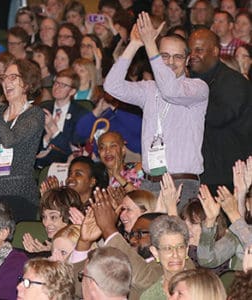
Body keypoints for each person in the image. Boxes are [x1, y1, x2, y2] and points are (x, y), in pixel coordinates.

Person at [104, 12, 209, 211]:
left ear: (187, 60)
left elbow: (170, 91)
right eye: (164, 56)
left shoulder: (197, 87)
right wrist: (135, 43)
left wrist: (151, 44)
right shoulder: (149, 89)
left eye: (178, 57)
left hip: (182, 184)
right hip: (149, 182)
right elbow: (112, 86)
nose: (170, 62)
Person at [0, 58, 45, 221]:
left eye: (13, 77)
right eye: (4, 78)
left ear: (27, 83)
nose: (6, 82)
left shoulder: (35, 114)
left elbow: (9, 140)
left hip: (17, 193)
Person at [188, 28, 252, 192]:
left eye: (199, 50)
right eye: (190, 50)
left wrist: (186, 97)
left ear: (215, 51)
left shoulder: (232, 82)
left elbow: (218, 117)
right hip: (202, 172)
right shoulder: (193, 81)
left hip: (228, 177)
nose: (192, 55)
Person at [35, 68, 88, 168]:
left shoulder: (81, 115)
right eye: (56, 83)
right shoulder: (42, 109)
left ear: (72, 91)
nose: (57, 87)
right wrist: (46, 140)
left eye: (63, 85)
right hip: (40, 164)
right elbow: (32, 146)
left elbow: (74, 151)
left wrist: (54, 131)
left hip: (65, 166)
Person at [23, 187, 83, 253]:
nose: (46, 223)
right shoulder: (46, 247)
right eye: (44, 216)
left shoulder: (84, 251)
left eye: (53, 217)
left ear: (72, 216)